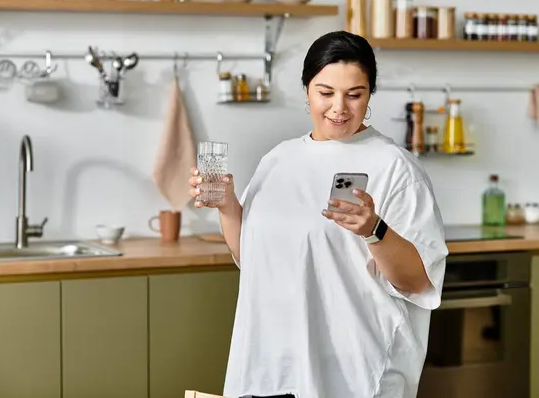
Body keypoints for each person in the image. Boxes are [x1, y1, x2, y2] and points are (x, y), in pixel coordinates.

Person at [188, 30, 448, 398]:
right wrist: (228, 205)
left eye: (354, 95)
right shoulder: (278, 160)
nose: (339, 108)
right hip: (271, 363)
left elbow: (418, 283)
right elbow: (254, 258)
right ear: (307, 89)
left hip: (354, 371)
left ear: (370, 93)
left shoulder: (395, 168)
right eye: (325, 93)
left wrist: (375, 230)